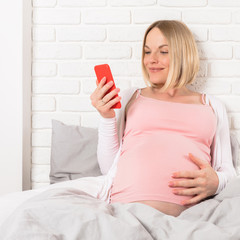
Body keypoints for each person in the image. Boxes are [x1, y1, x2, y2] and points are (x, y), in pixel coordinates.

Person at [90, 20, 237, 217]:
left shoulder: (211, 105)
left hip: (188, 218)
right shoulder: (130, 97)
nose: (151, 59)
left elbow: (228, 171)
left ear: (183, 55)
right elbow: (108, 168)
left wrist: (216, 182)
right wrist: (107, 118)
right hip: (125, 214)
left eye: (163, 51)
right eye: (147, 51)